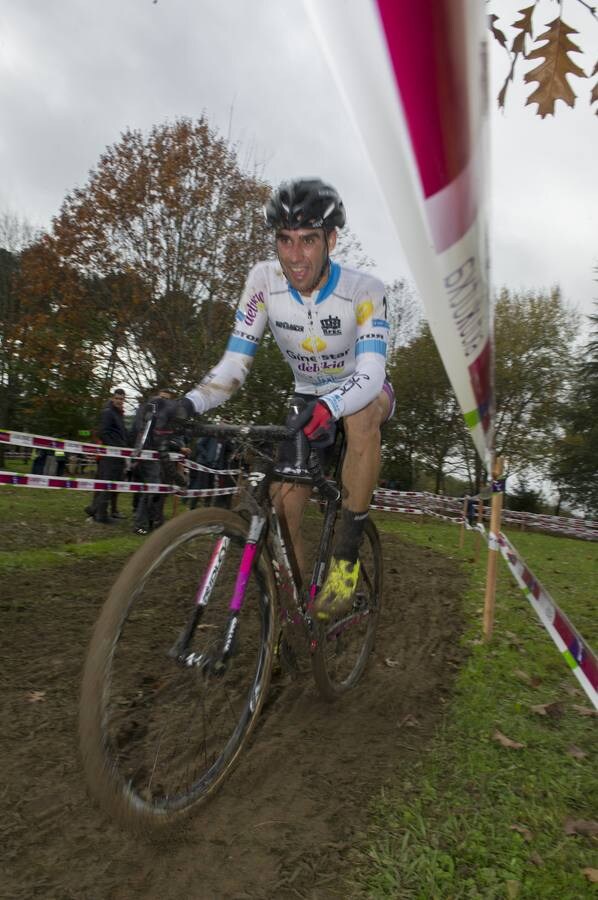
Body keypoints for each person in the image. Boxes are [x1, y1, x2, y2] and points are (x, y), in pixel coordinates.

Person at [176, 179, 394, 621]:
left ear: (331, 240)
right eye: (285, 240)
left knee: (360, 418)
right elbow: (234, 366)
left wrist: (333, 405)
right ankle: (292, 615)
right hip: (305, 396)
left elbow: (372, 372)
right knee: (283, 507)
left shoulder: (365, 291)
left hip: (360, 391)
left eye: (308, 241)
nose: (294, 257)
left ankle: (346, 561)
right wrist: (188, 403)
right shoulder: (263, 282)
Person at [85, 388, 129, 524]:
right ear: (112, 398)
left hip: (117, 455)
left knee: (111, 483)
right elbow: (102, 432)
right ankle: (101, 515)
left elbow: (120, 434)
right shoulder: (108, 413)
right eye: (117, 398)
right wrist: (114, 448)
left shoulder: (118, 414)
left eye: (121, 399)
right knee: (108, 483)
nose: (119, 401)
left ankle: (94, 509)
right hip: (110, 455)